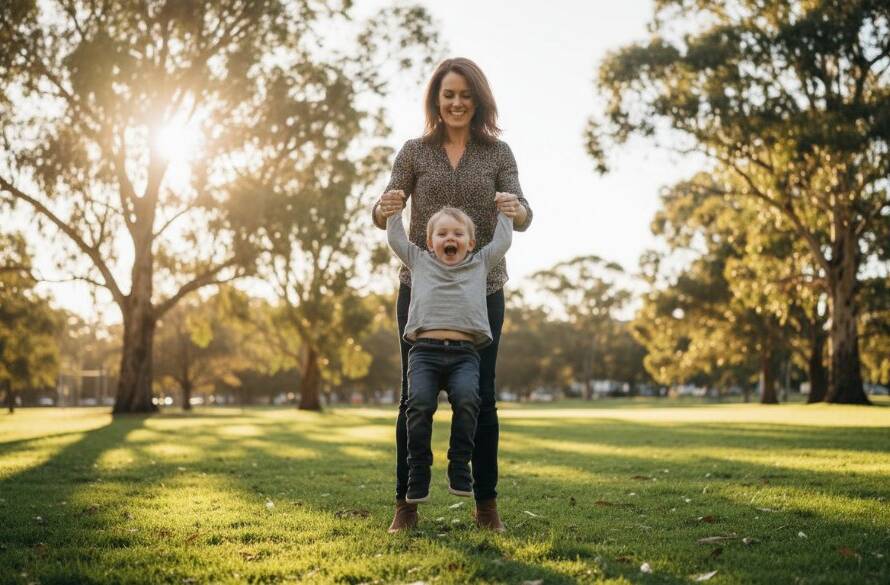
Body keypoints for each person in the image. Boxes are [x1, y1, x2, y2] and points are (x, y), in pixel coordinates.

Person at [372, 57, 533, 533]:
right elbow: (385, 209)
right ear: (436, 101)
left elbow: (523, 212)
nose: (457, 102)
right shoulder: (415, 151)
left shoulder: (498, 154)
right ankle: (406, 505)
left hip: (482, 293)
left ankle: (486, 506)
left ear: (478, 99)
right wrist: (381, 207)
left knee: (481, 398)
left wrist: (516, 209)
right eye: (449, 94)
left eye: (465, 94)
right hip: (420, 293)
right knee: (413, 400)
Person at [384, 205, 512, 504]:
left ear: (470, 243)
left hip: (465, 354)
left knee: (469, 399)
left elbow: (503, 242)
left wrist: (507, 213)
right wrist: (392, 211)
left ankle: (458, 464)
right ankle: (418, 471)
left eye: (457, 233)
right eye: (441, 234)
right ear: (430, 243)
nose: (448, 238)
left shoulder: (480, 263)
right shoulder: (419, 260)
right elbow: (397, 239)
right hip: (424, 353)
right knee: (418, 404)